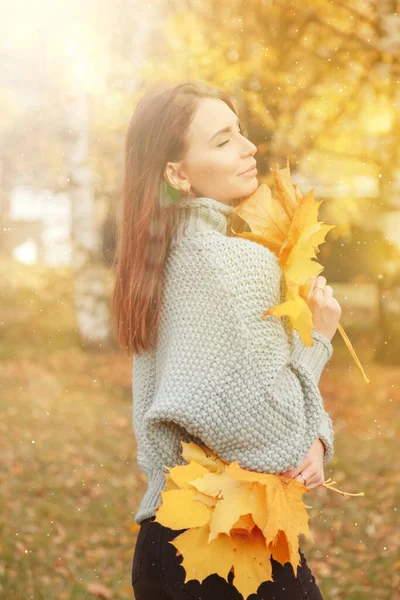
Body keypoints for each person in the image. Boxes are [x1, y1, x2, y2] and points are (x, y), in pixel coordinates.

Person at [111, 81, 342, 600]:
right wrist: (319, 342)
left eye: (240, 132)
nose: (249, 147)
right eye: (222, 141)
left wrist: (316, 433)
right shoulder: (236, 262)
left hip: (161, 545)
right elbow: (274, 431)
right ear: (177, 173)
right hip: (232, 546)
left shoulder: (153, 265)